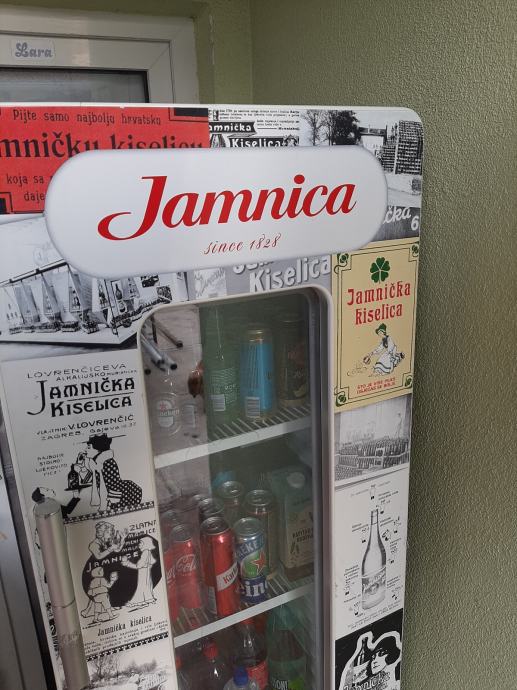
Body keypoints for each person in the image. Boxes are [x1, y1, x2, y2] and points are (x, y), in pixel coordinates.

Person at [85, 433, 142, 511]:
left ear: (98, 449)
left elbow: (108, 488)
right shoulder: (96, 463)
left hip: (120, 495)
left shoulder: (106, 463)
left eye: (89, 447)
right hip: (112, 495)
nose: (85, 450)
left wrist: (105, 505)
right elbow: (90, 481)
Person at [120, 536, 157, 608]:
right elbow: (150, 562)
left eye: (141, 543)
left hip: (143, 571)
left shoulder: (145, 552)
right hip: (145, 571)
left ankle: (139, 600)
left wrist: (127, 563)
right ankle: (147, 599)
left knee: (142, 585)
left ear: (145, 544)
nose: (139, 544)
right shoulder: (147, 552)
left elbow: (139, 566)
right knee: (146, 585)